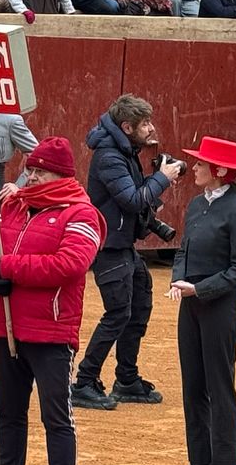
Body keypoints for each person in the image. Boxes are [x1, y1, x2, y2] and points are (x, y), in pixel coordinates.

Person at [0, 138, 101, 465]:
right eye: (30, 168)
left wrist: (7, 269)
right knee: (8, 410)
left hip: (52, 330)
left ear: (61, 174)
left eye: (40, 170)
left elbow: (69, 264)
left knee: (56, 417)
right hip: (6, 327)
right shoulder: (13, 206)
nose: (31, 174)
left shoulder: (82, 214)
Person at [73, 94, 182, 411]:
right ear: (127, 126)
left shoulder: (124, 150)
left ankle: (127, 379)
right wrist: (162, 178)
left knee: (138, 305)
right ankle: (83, 382)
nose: (150, 129)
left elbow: (135, 195)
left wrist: (156, 179)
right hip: (109, 247)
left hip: (122, 245)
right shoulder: (109, 155)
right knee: (118, 313)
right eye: (145, 123)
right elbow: (133, 200)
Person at [166, 136, 236, 465]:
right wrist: (179, 277)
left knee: (219, 386)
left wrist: (200, 289)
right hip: (192, 305)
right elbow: (184, 248)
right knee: (193, 384)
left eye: (202, 164)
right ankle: (200, 462)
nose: (195, 168)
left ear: (220, 171)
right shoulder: (196, 204)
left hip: (219, 308)